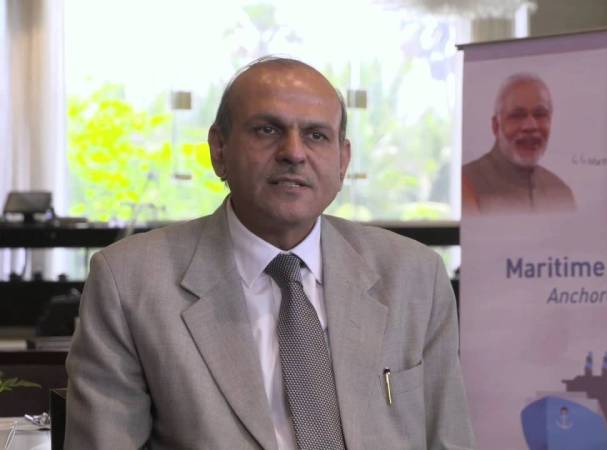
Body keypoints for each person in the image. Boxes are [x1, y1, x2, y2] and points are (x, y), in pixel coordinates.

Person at [65, 57, 475, 449]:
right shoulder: (129, 282)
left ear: (343, 161)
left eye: (316, 135)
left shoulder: (415, 276)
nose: (294, 152)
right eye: (267, 130)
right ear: (219, 149)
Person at [462, 73, 575, 215]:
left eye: (540, 115)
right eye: (517, 116)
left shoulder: (561, 193)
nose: (531, 126)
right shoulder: (466, 185)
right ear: (496, 126)